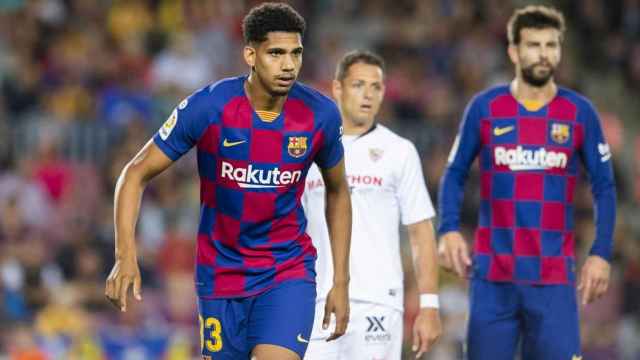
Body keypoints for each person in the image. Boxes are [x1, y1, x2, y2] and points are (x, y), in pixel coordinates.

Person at [104, 3, 352, 360]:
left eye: (296, 53)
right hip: (220, 276)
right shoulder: (209, 107)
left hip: (286, 271)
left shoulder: (320, 114)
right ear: (250, 54)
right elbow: (134, 174)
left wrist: (340, 282)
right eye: (276, 53)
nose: (288, 65)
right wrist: (124, 255)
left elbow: (339, 192)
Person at [438, 5, 616, 360]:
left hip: (553, 280)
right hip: (493, 278)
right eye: (534, 45)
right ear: (514, 51)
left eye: (552, 45)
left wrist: (600, 253)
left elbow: (604, 186)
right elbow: (455, 172)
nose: (544, 54)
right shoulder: (485, 108)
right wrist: (448, 229)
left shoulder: (579, 113)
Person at [303, 50, 442, 360]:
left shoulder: (398, 151)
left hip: (378, 301)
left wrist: (429, 305)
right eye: (358, 85)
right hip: (314, 301)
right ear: (337, 88)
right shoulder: (307, 153)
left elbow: (420, 230)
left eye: (376, 87)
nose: (368, 95)